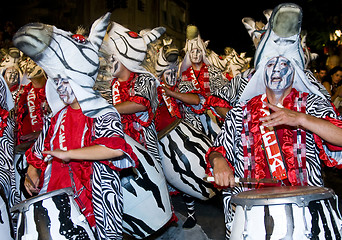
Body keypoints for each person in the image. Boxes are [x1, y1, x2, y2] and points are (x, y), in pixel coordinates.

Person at [205, 3, 342, 239]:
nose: (277, 69)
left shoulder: (309, 105)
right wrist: (219, 162)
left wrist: (300, 118)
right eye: (270, 63)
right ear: (261, 72)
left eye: (284, 63)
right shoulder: (242, 111)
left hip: (304, 212)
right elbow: (218, 150)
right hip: (251, 215)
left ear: (295, 70)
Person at [14, 12, 138, 239]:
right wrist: (32, 171)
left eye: (65, 81)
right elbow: (39, 153)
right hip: (60, 198)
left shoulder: (103, 111)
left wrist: (70, 154)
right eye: (56, 81)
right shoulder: (57, 116)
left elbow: (115, 148)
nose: (60, 88)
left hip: (98, 199)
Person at [100, 22, 165, 164]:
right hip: (118, 146)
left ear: (124, 58)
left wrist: (106, 109)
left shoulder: (146, 78)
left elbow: (139, 103)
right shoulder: (109, 85)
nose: (108, 62)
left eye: (111, 57)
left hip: (145, 147)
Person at [163, 25, 226, 141]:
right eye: (192, 51)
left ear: (203, 53)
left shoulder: (214, 72)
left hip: (215, 121)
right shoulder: (183, 75)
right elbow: (191, 98)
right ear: (188, 53)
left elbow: (223, 96)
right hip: (192, 124)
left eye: (198, 51)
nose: (196, 54)